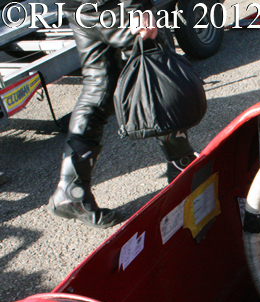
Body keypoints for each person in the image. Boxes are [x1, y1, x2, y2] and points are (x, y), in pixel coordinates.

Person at [48, 0, 198, 228]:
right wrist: (138, 8)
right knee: (157, 73)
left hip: (79, 10)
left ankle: (71, 190)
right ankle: (182, 168)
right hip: (117, 7)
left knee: (98, 87)